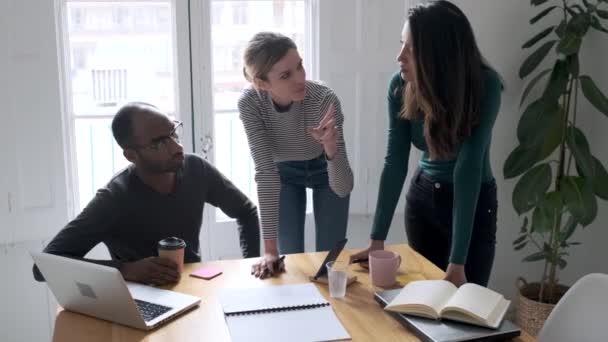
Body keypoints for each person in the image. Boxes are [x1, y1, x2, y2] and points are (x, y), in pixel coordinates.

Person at [350, 0, 503, 287]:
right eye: (401, 44)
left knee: (467, 307)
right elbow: (394, 161)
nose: (399, 56)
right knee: (424, 302)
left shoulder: (486, 85)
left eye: (410, 49)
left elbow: (468, 167)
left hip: (473, 202)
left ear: (438, 55)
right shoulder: (399, 86)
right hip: (423, 202)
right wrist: (377, 240)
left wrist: (457, 263)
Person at [32, 102, 260, 285]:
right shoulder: (114, 198)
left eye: (173, 133)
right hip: (139, 302)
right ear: (131, 155)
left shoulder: (196, 169)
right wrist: (126, 270)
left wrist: (251, 268)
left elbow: (246, 212)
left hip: (195, 290)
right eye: (159, 144)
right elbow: (43, 267)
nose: (176, 147)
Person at [238, 32, 354, 278]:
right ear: (262, 83)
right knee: (289, 260)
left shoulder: (324, 99)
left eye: (299, 66)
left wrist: (331, 148)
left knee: (329, 262)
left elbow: (343, 188)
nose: (300, 77)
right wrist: (269, 249)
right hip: (284, 173)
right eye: (285, 75)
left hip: (325, 166)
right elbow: (266, 173)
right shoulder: (250, 103)